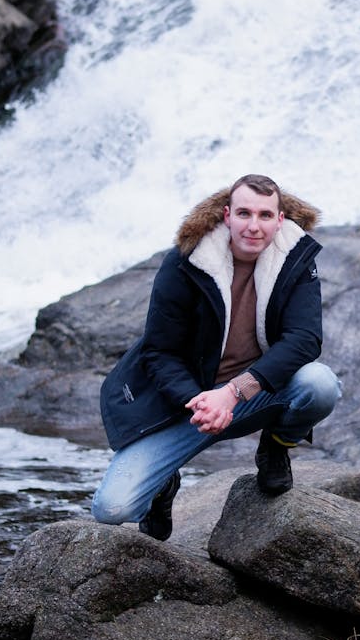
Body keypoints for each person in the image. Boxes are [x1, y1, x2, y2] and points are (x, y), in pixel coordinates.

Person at [91, 174, 341, 541]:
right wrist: (199, 402)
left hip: (254, 394)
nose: (254, 226)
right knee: (112, 510)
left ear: (281, 219)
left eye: (264, 216)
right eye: (244, 214)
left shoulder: (297, 258)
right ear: (227, 215)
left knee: (320, 385)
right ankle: (163, 486)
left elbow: (304, 339)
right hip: (188, 404)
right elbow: (158, 351)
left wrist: (234, 392)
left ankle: (275, 448)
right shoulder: (186, 262)